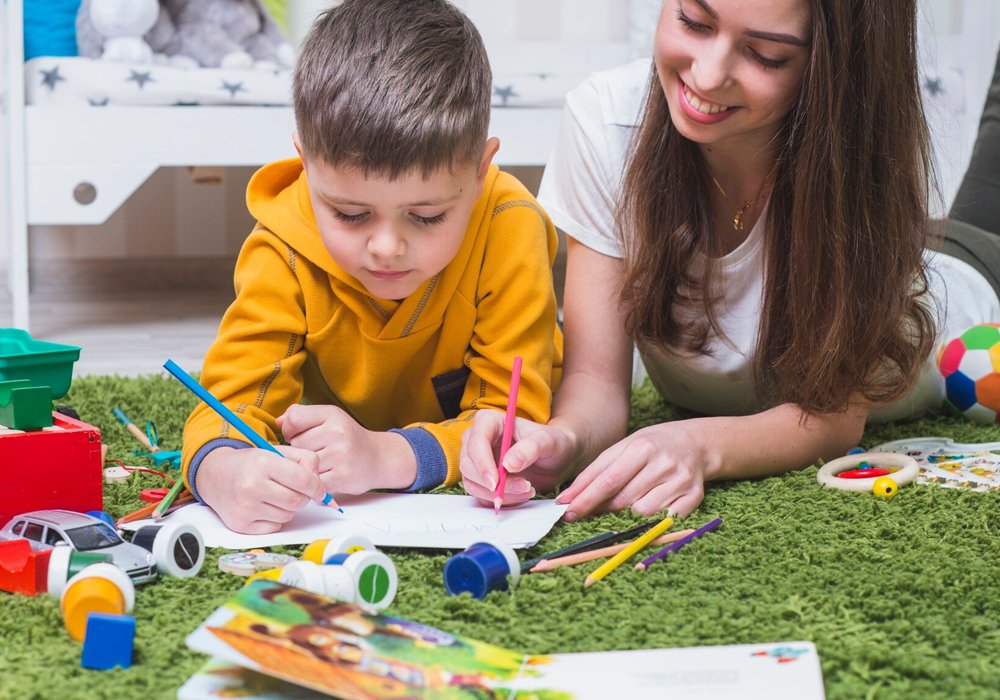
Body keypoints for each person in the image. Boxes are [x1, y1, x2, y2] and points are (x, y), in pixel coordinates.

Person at [460, 0, 1000, 521]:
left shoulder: (854, 160)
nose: (709, 75)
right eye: (693, 21)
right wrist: (564, 438)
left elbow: (833, 420)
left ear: (829, 69)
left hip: (969, 286)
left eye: (766, 55)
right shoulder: (606, 124)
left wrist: (698, 445)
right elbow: (597, 387)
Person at [181, 0, 563, 534]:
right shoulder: (281, 246)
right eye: (351, 213)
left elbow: (508, 426)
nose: (386, 247)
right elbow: (226, 406)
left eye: (427, 217)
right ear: (306, 164)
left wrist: (386, 456)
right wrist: (224, 471)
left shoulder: (510, 226)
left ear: (480, 173)